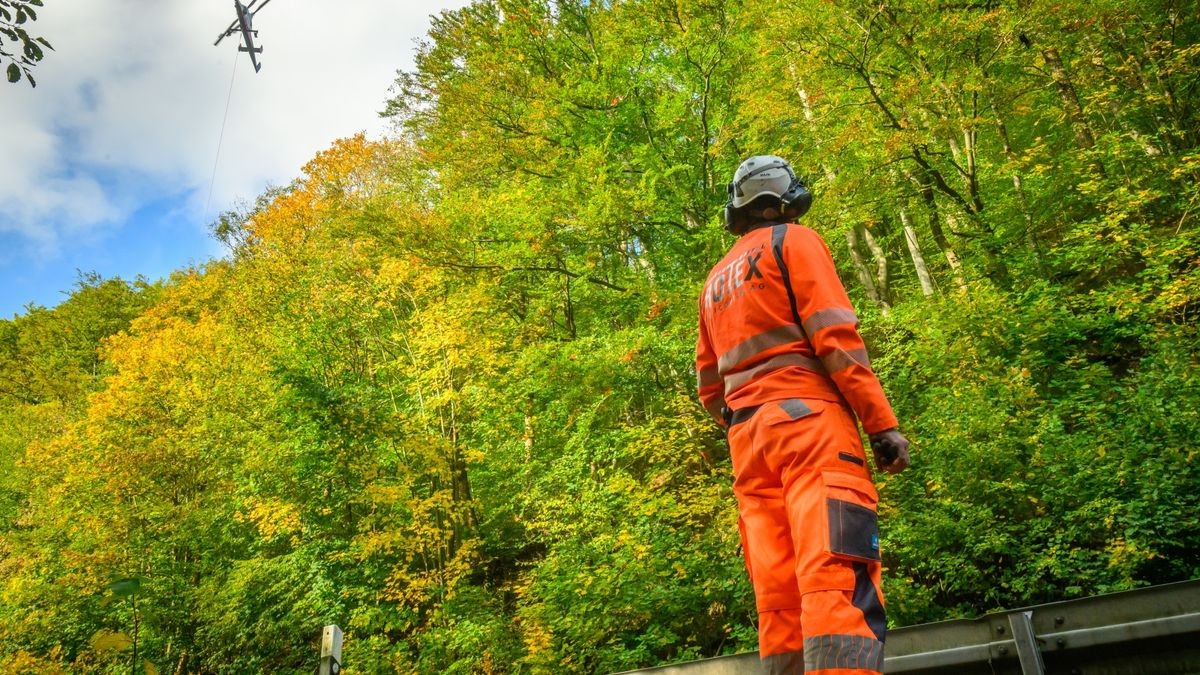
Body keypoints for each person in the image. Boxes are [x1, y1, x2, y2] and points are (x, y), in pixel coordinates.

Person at [695, 155, 910, 674]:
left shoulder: (713, 282)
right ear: (787, 199)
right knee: (834, 575)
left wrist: (752, 417)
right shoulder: (794, 241)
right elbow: (836, 339)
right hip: (812, 430)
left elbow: (708, 386)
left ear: (738, 209)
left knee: (780, 596)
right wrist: (881, 425)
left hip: (748, 443)